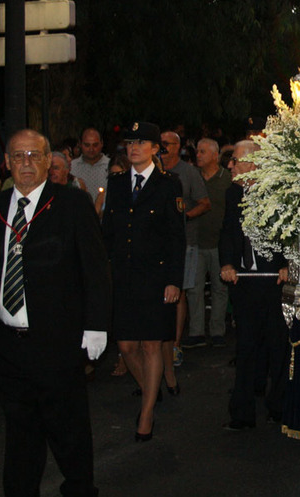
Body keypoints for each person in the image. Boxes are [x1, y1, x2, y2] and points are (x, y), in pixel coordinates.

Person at [0, 128, 111, 496]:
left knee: (69, 433)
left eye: (34, 155)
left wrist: (96, 325)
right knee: (20, 438)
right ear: (8, 163)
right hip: (9, 348)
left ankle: (80, 490)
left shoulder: (72, 205)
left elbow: (96, 270)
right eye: (18, 156)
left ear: (49, 161)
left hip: (58, 343)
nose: (27, 163)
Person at [101, 122, 185, 442]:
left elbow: (176, 237)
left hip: (155, 276)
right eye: (130, 142)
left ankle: (147, 413)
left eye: (142, 142)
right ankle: (149, 388)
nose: (133, 148)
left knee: (151, 343)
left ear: (154, 149)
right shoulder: (118, 182)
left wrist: (173, 280)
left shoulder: (168, 184)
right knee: (125, 345)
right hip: (123, 275)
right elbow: (110, 230)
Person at [219, 140, 289, 429]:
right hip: (245, 283)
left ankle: (280, 407)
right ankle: (242, 412)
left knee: (278, 348)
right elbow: (227, 232)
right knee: (245, 348)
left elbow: (290, 230)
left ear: (252, 164)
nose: (231, 166)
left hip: (273, 283)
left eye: (235, 160)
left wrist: (286, 264)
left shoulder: (278, 191)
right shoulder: (233, 193)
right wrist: (226, 263)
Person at [160, 131, 210, 363]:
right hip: (157, 244)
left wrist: (184, 218)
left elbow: (204, 203)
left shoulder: (188, 173)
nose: (162, 148)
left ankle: (176, 344)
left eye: (166, 144)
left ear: (177, 147)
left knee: (179, 292)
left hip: (185, 242)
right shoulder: (154, 172)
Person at [186, 138, 231, 347]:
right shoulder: (193, 178)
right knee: (194, 288)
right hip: (195, 241)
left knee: (219, 288)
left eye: (203, 152)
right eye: (197, 152)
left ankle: (217, 331)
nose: (198, 155)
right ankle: (196, 331)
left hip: (219, 241)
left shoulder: (226, 179)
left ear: (215, 155)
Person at [70, 128, 109, 203]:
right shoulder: (71, 167)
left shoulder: (111, 166)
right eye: (87, 145)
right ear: (80, 144)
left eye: (95, 145)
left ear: (102, 144)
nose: (91, 149)